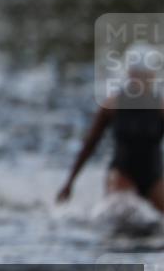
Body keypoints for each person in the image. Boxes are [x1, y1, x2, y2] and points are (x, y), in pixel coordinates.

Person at [57, 42, 164, 214]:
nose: (143, 82)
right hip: (122, 172)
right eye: (138, 76)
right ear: (130, 75)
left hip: (153, 175)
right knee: (119, 214)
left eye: (147, 77)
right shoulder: (112, 106)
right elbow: (90, 144)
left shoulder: (160, 108)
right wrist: (70, 182)